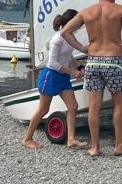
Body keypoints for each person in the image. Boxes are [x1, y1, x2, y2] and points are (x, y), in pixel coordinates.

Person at [61, 0, 122, 157]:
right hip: (114, 61)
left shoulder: (86, 12)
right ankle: (119, 145)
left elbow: (65, 32)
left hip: (93, 61)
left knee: (93, 106)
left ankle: (95, 147)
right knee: (119, 104)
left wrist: (82, 48)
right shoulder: (119, 9)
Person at [22, 9, 88, 149]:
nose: (80, 24)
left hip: (63, 77)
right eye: (78, 21)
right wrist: (72, 72)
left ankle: (71, 139)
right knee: (43, 110)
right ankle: (27, 139)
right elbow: (52, 63)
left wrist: (80, 68)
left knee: (73, 106)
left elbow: (69, 56)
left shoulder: (70, 37)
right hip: (51, 76)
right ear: (71, 23)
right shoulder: (57, 39)